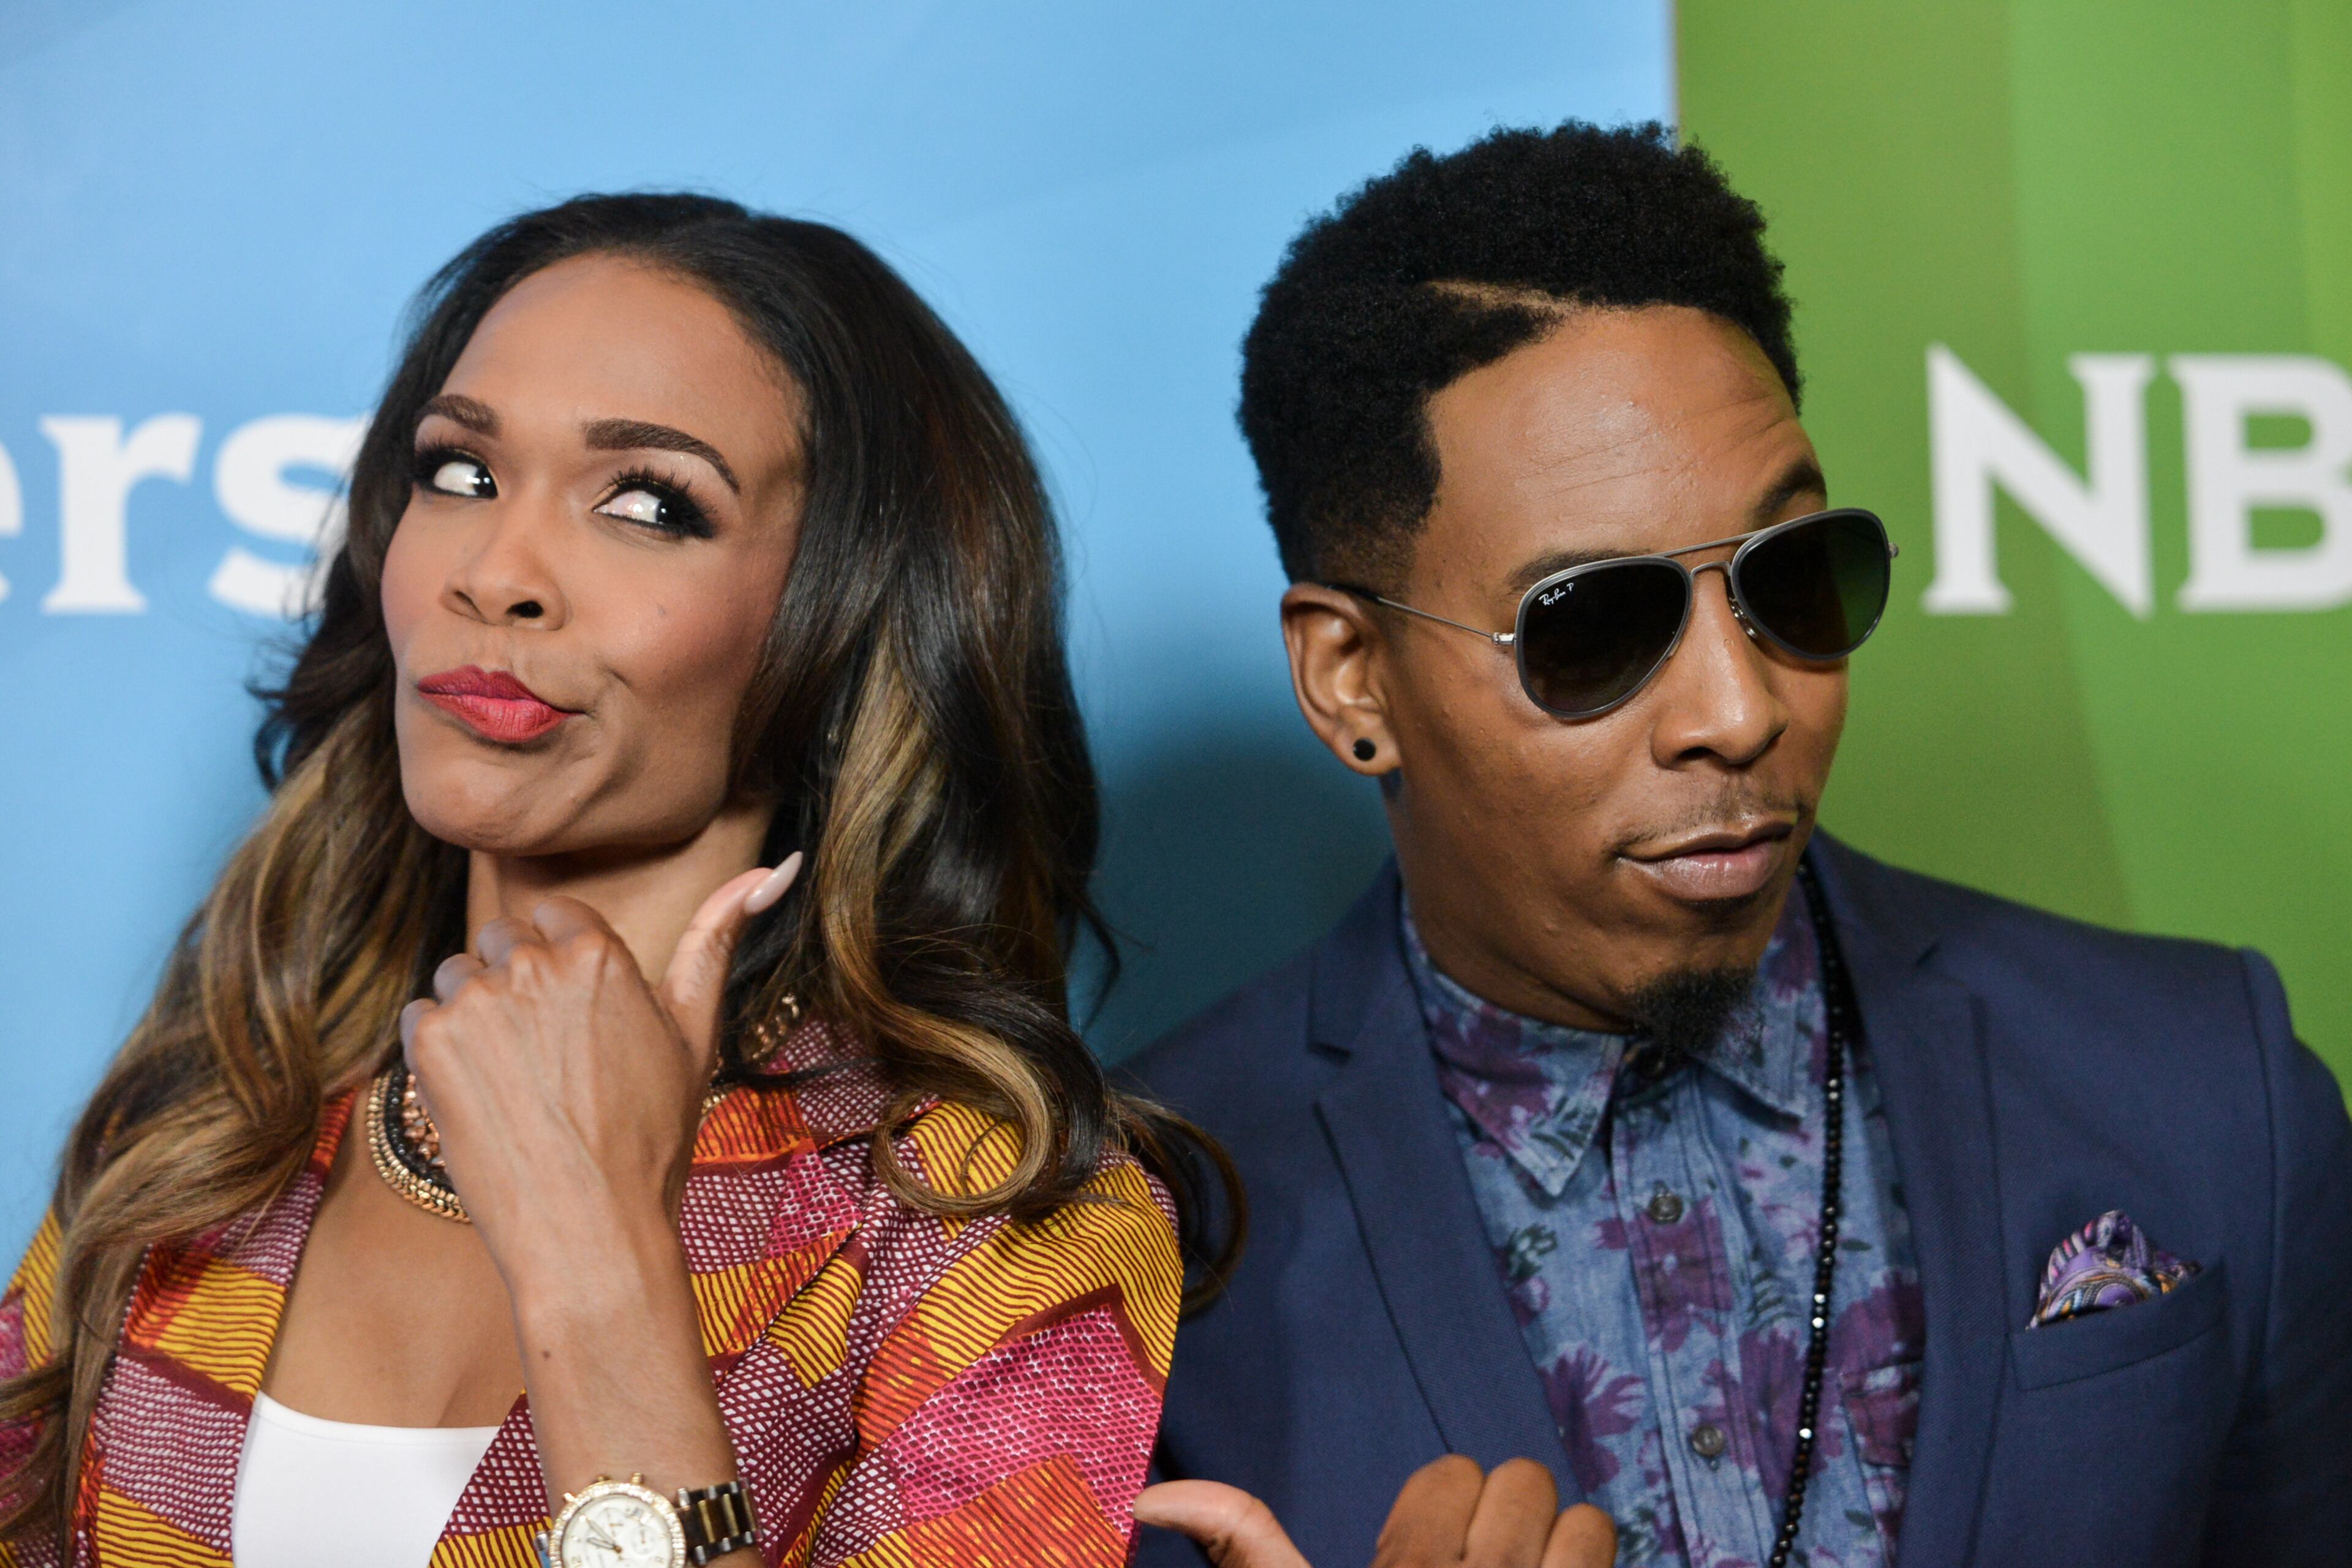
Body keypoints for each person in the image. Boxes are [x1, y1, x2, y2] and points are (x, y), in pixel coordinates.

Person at [1128, 124, 2352, 1568]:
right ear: (1352, 677)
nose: (1742, 706)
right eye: (1592, 625)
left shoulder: (2205, 1081)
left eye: (1794, 577)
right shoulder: (1134, 1228)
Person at [0, 194, 1202, 1568]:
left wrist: (601, 1281)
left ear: (844, 609)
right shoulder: (212, 1125)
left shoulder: (990, 1213)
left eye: (649, 503)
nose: (499, 572)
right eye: (460, 473)